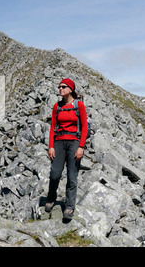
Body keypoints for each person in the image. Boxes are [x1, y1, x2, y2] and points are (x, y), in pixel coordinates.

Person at [46, 78, 88, 221]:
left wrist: (81, 146)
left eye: (63, 87)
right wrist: (51, 145)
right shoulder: (57, 106)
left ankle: (69, 207)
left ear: (71, 89)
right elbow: (52, 127)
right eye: (59, 86)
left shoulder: (79, 106)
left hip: (74, 142)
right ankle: (51, 198)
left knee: (72, 176)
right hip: (59, 142)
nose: (60, 89)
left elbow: (84, 127)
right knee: (55, 174)